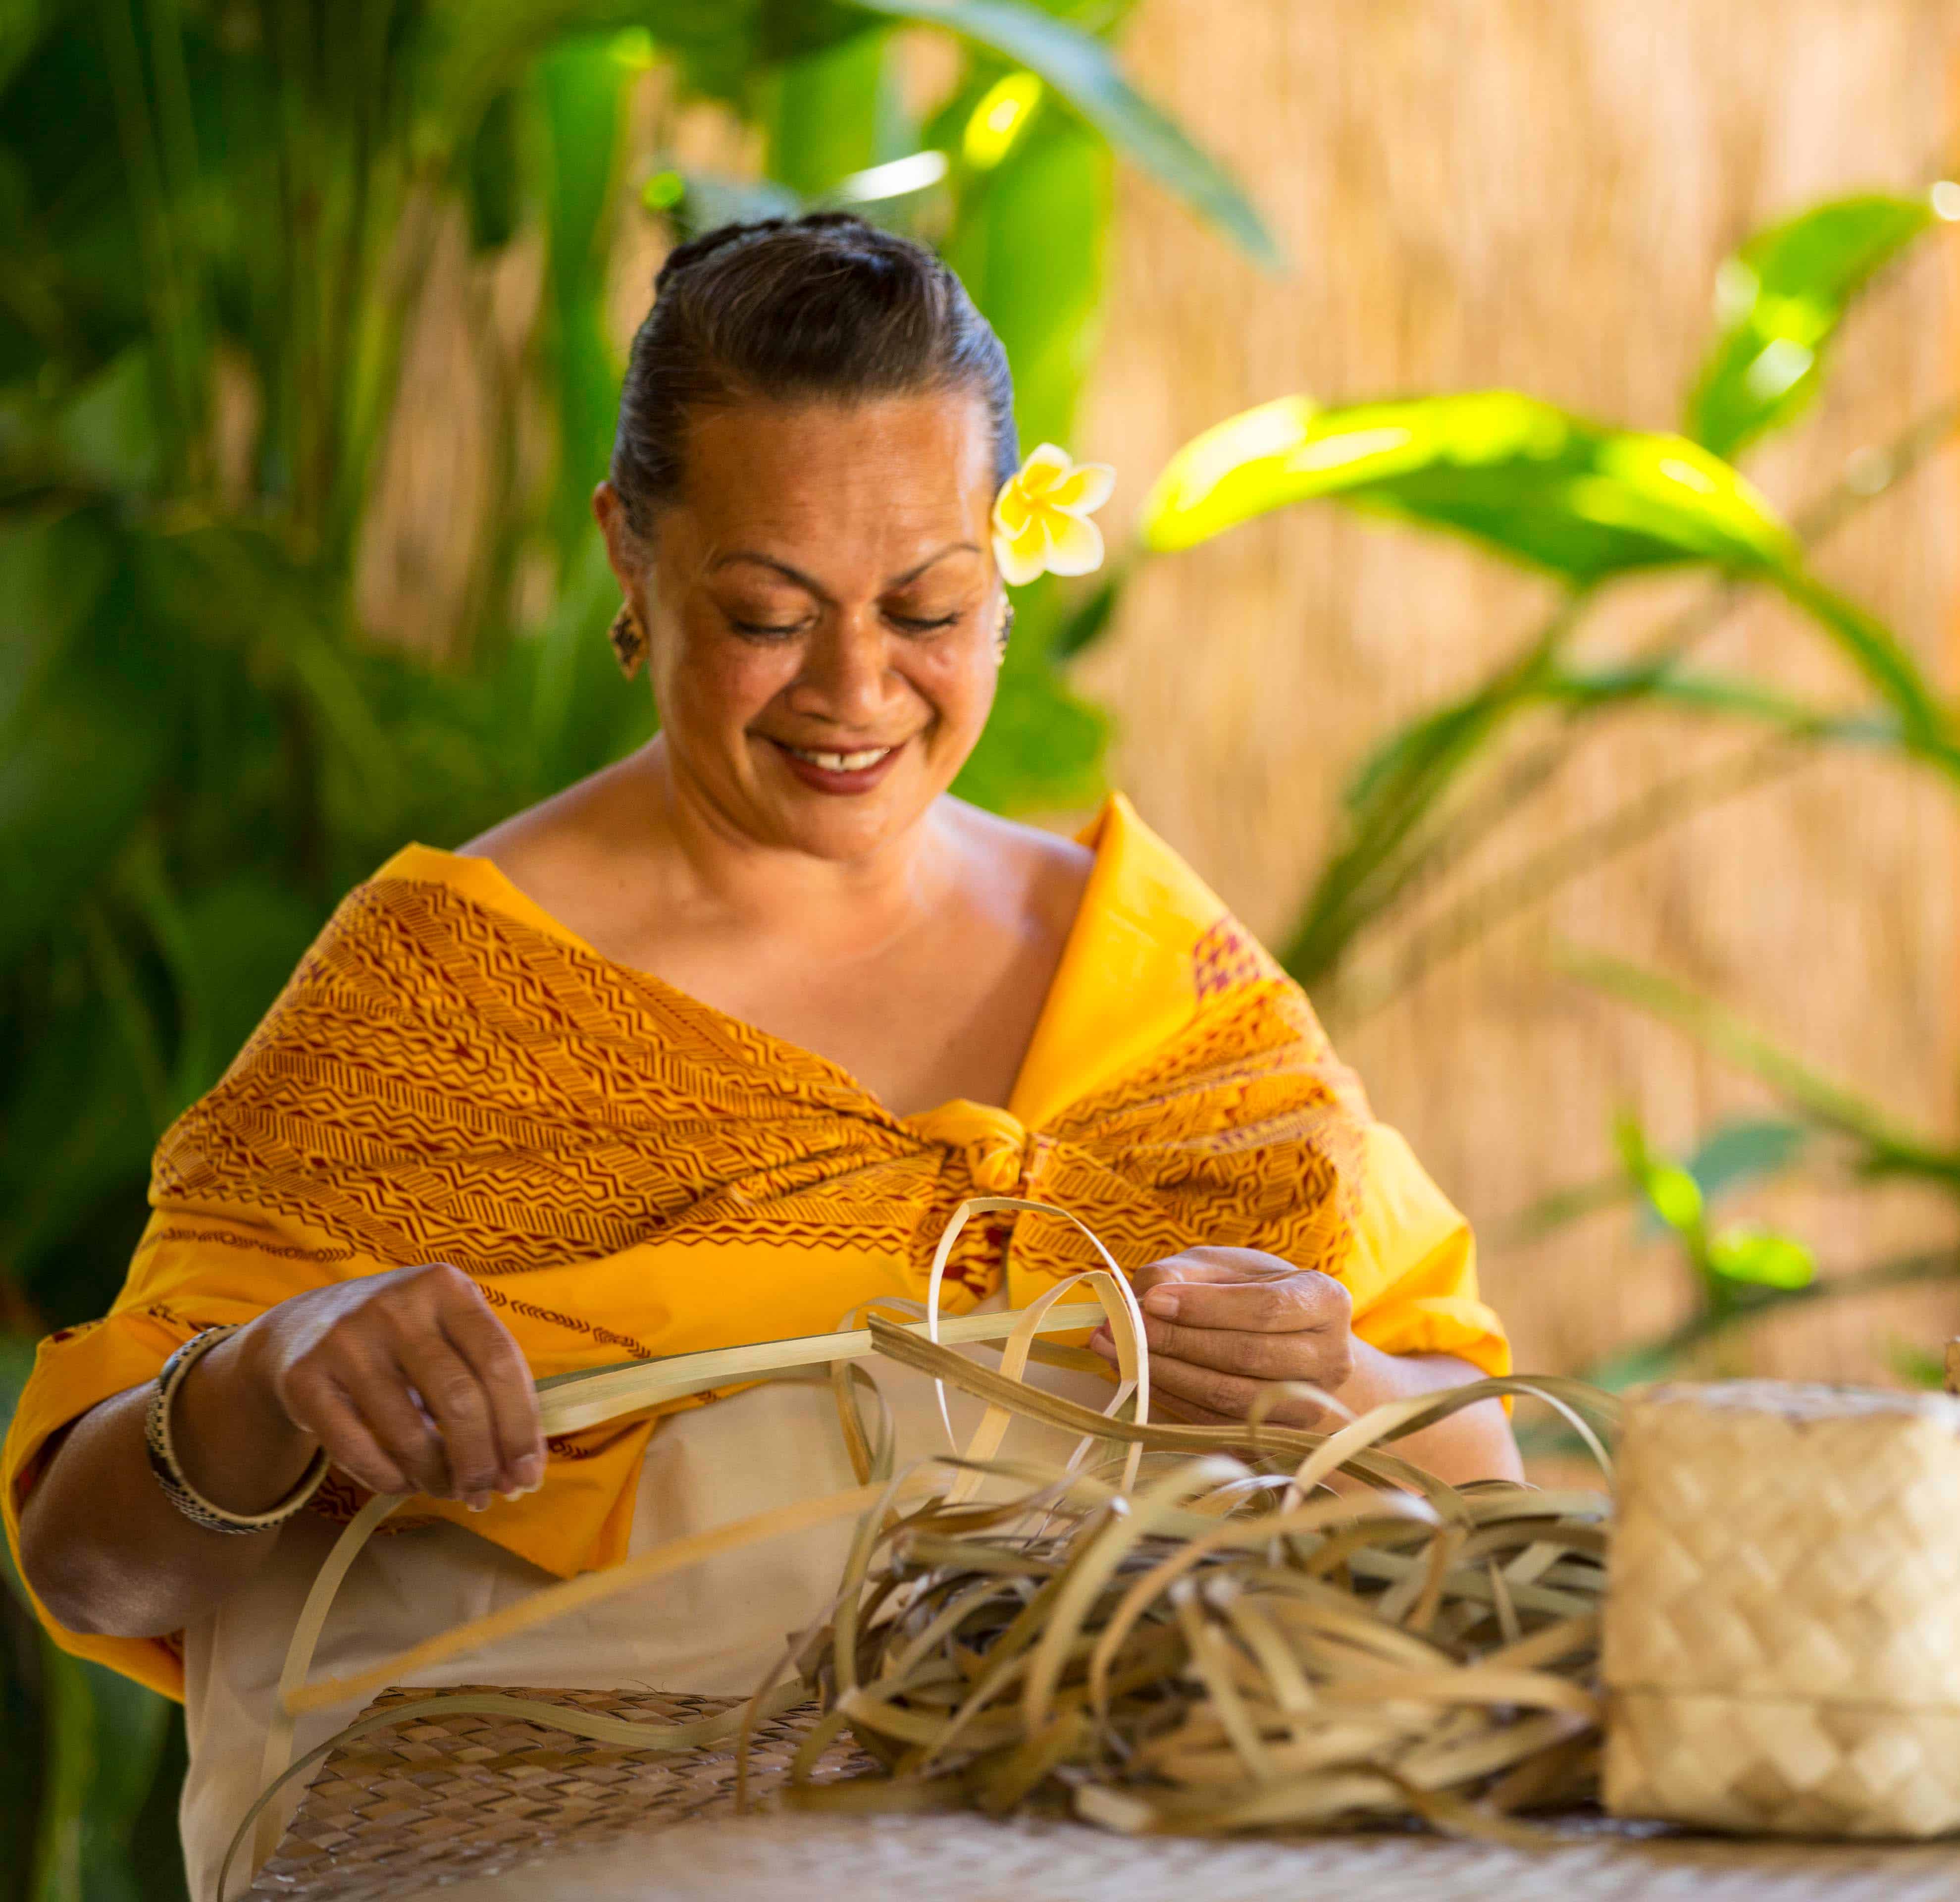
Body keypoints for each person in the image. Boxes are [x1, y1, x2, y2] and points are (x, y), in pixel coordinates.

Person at [0, 213, 1515, 1892]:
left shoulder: (1159, 974)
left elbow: (1477, 1463)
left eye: (927, 607)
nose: (856, 689)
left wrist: (1343, 1384)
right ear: (630, 563)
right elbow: (89, 1570)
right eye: (771, 613)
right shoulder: (455, 995)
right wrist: (268, 1377)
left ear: (1009, 565)